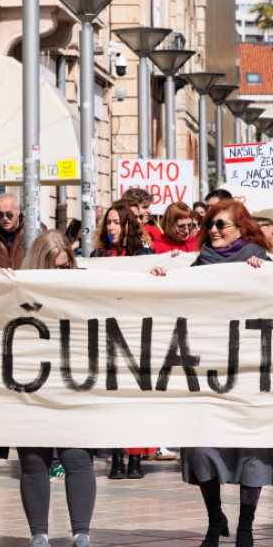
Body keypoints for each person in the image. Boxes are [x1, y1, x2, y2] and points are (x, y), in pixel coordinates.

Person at [165, 199, 273, 547]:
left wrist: (266, 275)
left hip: (249, 371)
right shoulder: (200, 263)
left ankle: (246, 528)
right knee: (203, 447)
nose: (213, 231)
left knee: (252, 449)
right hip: (207, 370)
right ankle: (215, 518)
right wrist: (164, 279)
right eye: (211, 225)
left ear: (242, 229)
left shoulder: (258, 259)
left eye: (222, 225)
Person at [12, 231, 100, 547]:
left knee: (77, 457)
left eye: (66, 268)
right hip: (29, 384)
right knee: (33, 462)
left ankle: (81, 537)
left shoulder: (82, 287)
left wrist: (156, 277)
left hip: (71, 383)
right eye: (54, 267)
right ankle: (39, 539)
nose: (61, 275)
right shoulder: (18, 288)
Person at [92, 201, 154, 478]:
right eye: (109, 222)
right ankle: (116, 457)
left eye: (116, 222)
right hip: (107, 334)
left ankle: (135, 459)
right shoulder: (97, 255)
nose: (111, 227)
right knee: (112, 399)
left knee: (135, 401)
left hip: (136, 332)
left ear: (128, 224)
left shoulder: (145, 255)